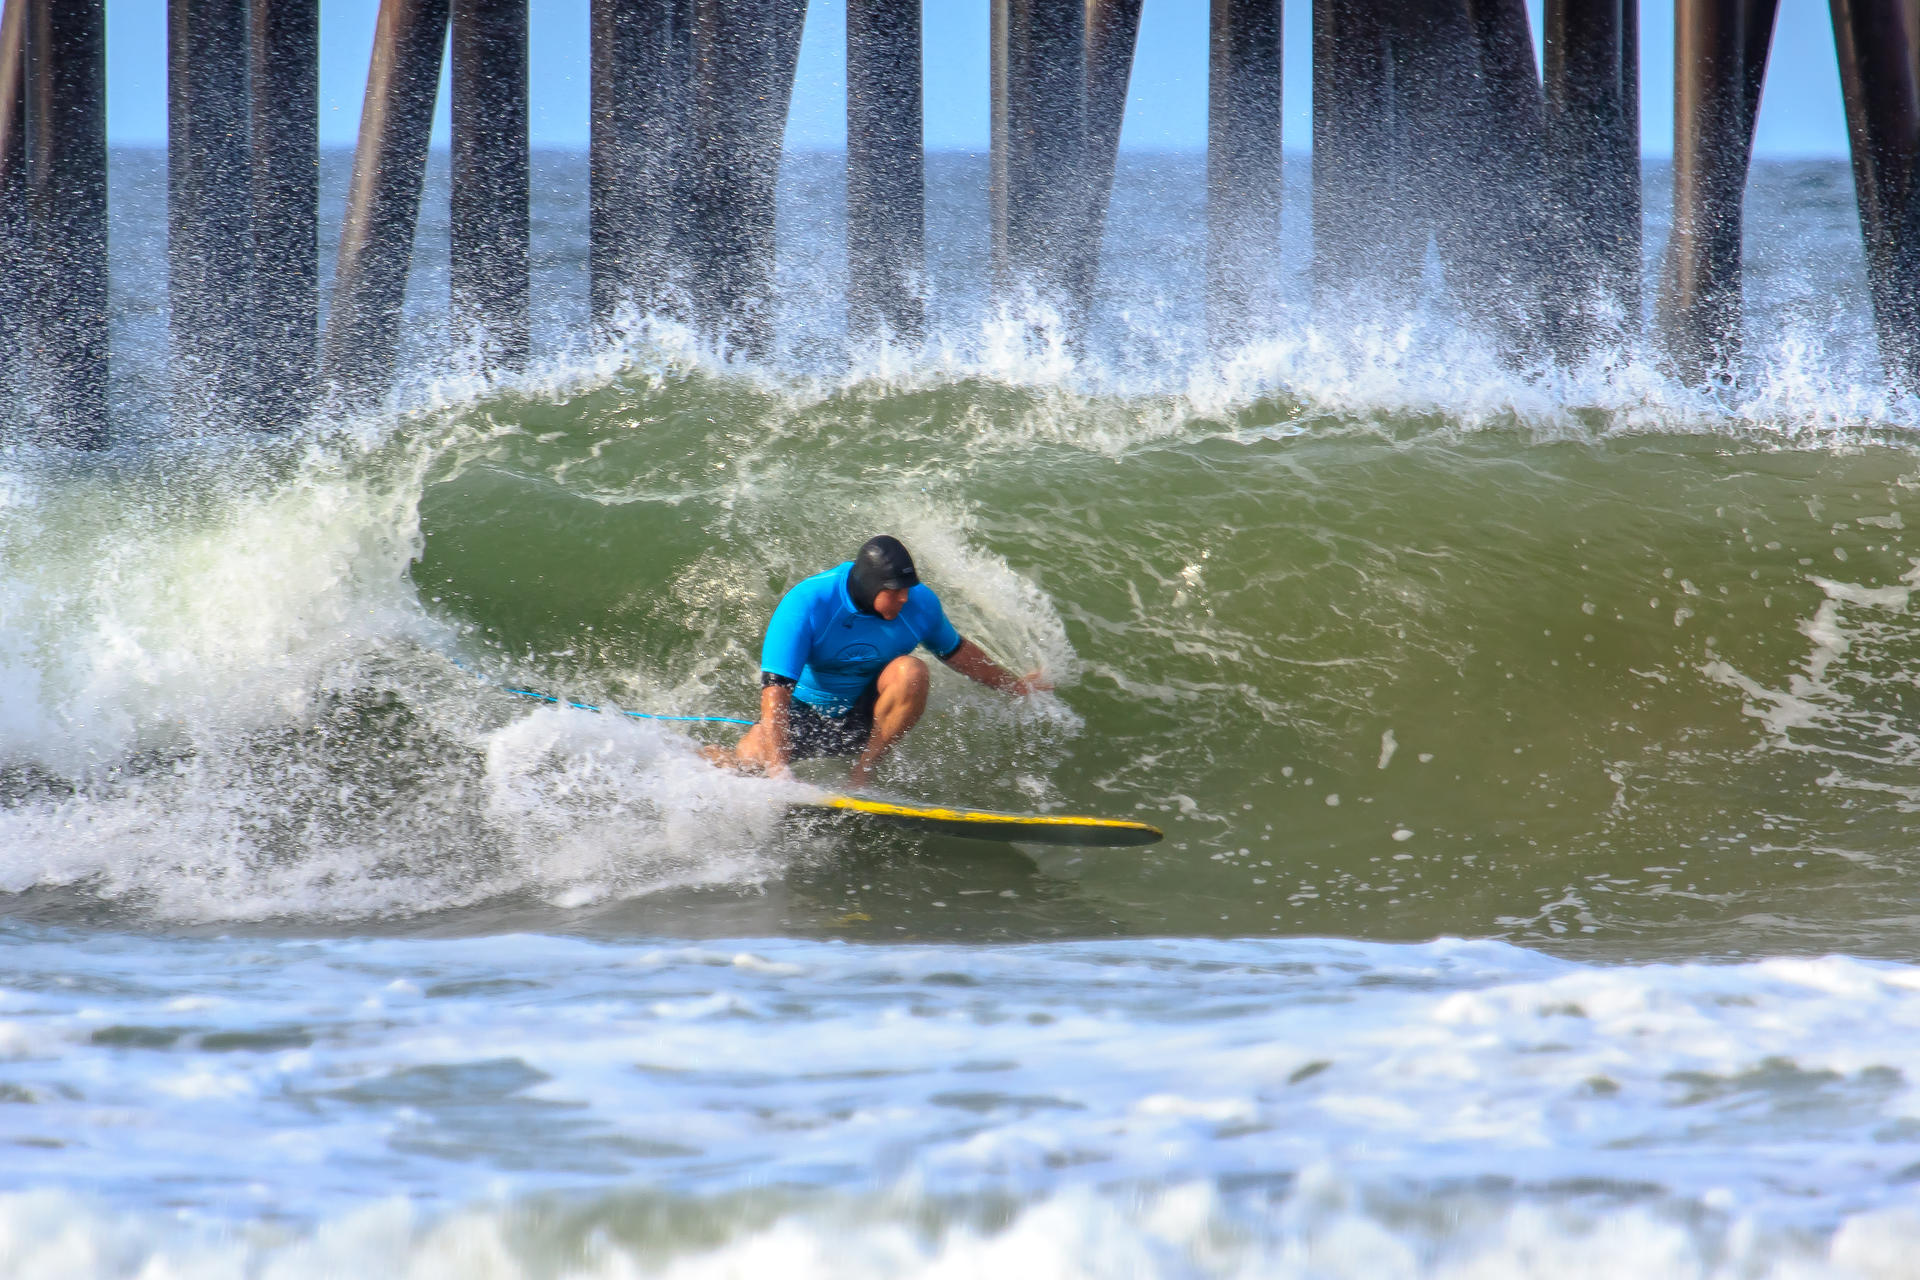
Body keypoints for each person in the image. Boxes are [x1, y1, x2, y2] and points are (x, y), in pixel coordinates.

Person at [720, 535, 1048, 788]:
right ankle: (690, 760)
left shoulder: (919, 605)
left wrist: (1016, 686)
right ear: (870, 585)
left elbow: (957, 652)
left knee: (912, 670)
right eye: (894, 591)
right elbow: (775, 694)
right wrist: (780, 774)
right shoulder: (808, 604)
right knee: (744, 765)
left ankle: (861, 778)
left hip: (865, 718)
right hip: (803, 716)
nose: (904, 598)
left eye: (907, 589)